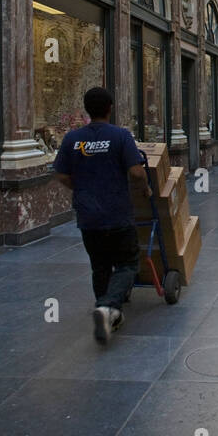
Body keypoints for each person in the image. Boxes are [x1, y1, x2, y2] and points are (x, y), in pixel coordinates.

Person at [54, 86, 149, 344]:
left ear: (87, 109)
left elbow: (61, 174)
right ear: (109, 108)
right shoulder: (120, 136)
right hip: (116, 212)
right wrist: (145, 189)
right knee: (128, 263)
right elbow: (137, 172)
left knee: (100, 266)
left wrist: (82, 188)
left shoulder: (72, 139)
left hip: (88, 215)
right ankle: (108, 306)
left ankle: (105, 312)